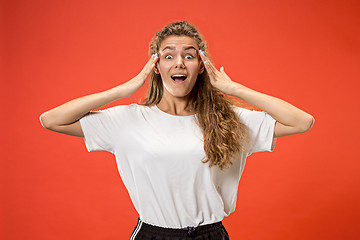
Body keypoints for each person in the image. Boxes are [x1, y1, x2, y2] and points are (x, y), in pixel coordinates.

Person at [40, 21, 314, 240]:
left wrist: (233, 89)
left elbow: (302, 122)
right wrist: (124, 90)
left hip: (211, 234)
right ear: (156, 67)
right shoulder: (128, 120)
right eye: (168, 55)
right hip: (153, 234)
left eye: (189, 56)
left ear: (201, 67)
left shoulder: (227, 120)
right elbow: (51, 119)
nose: (179, 62)